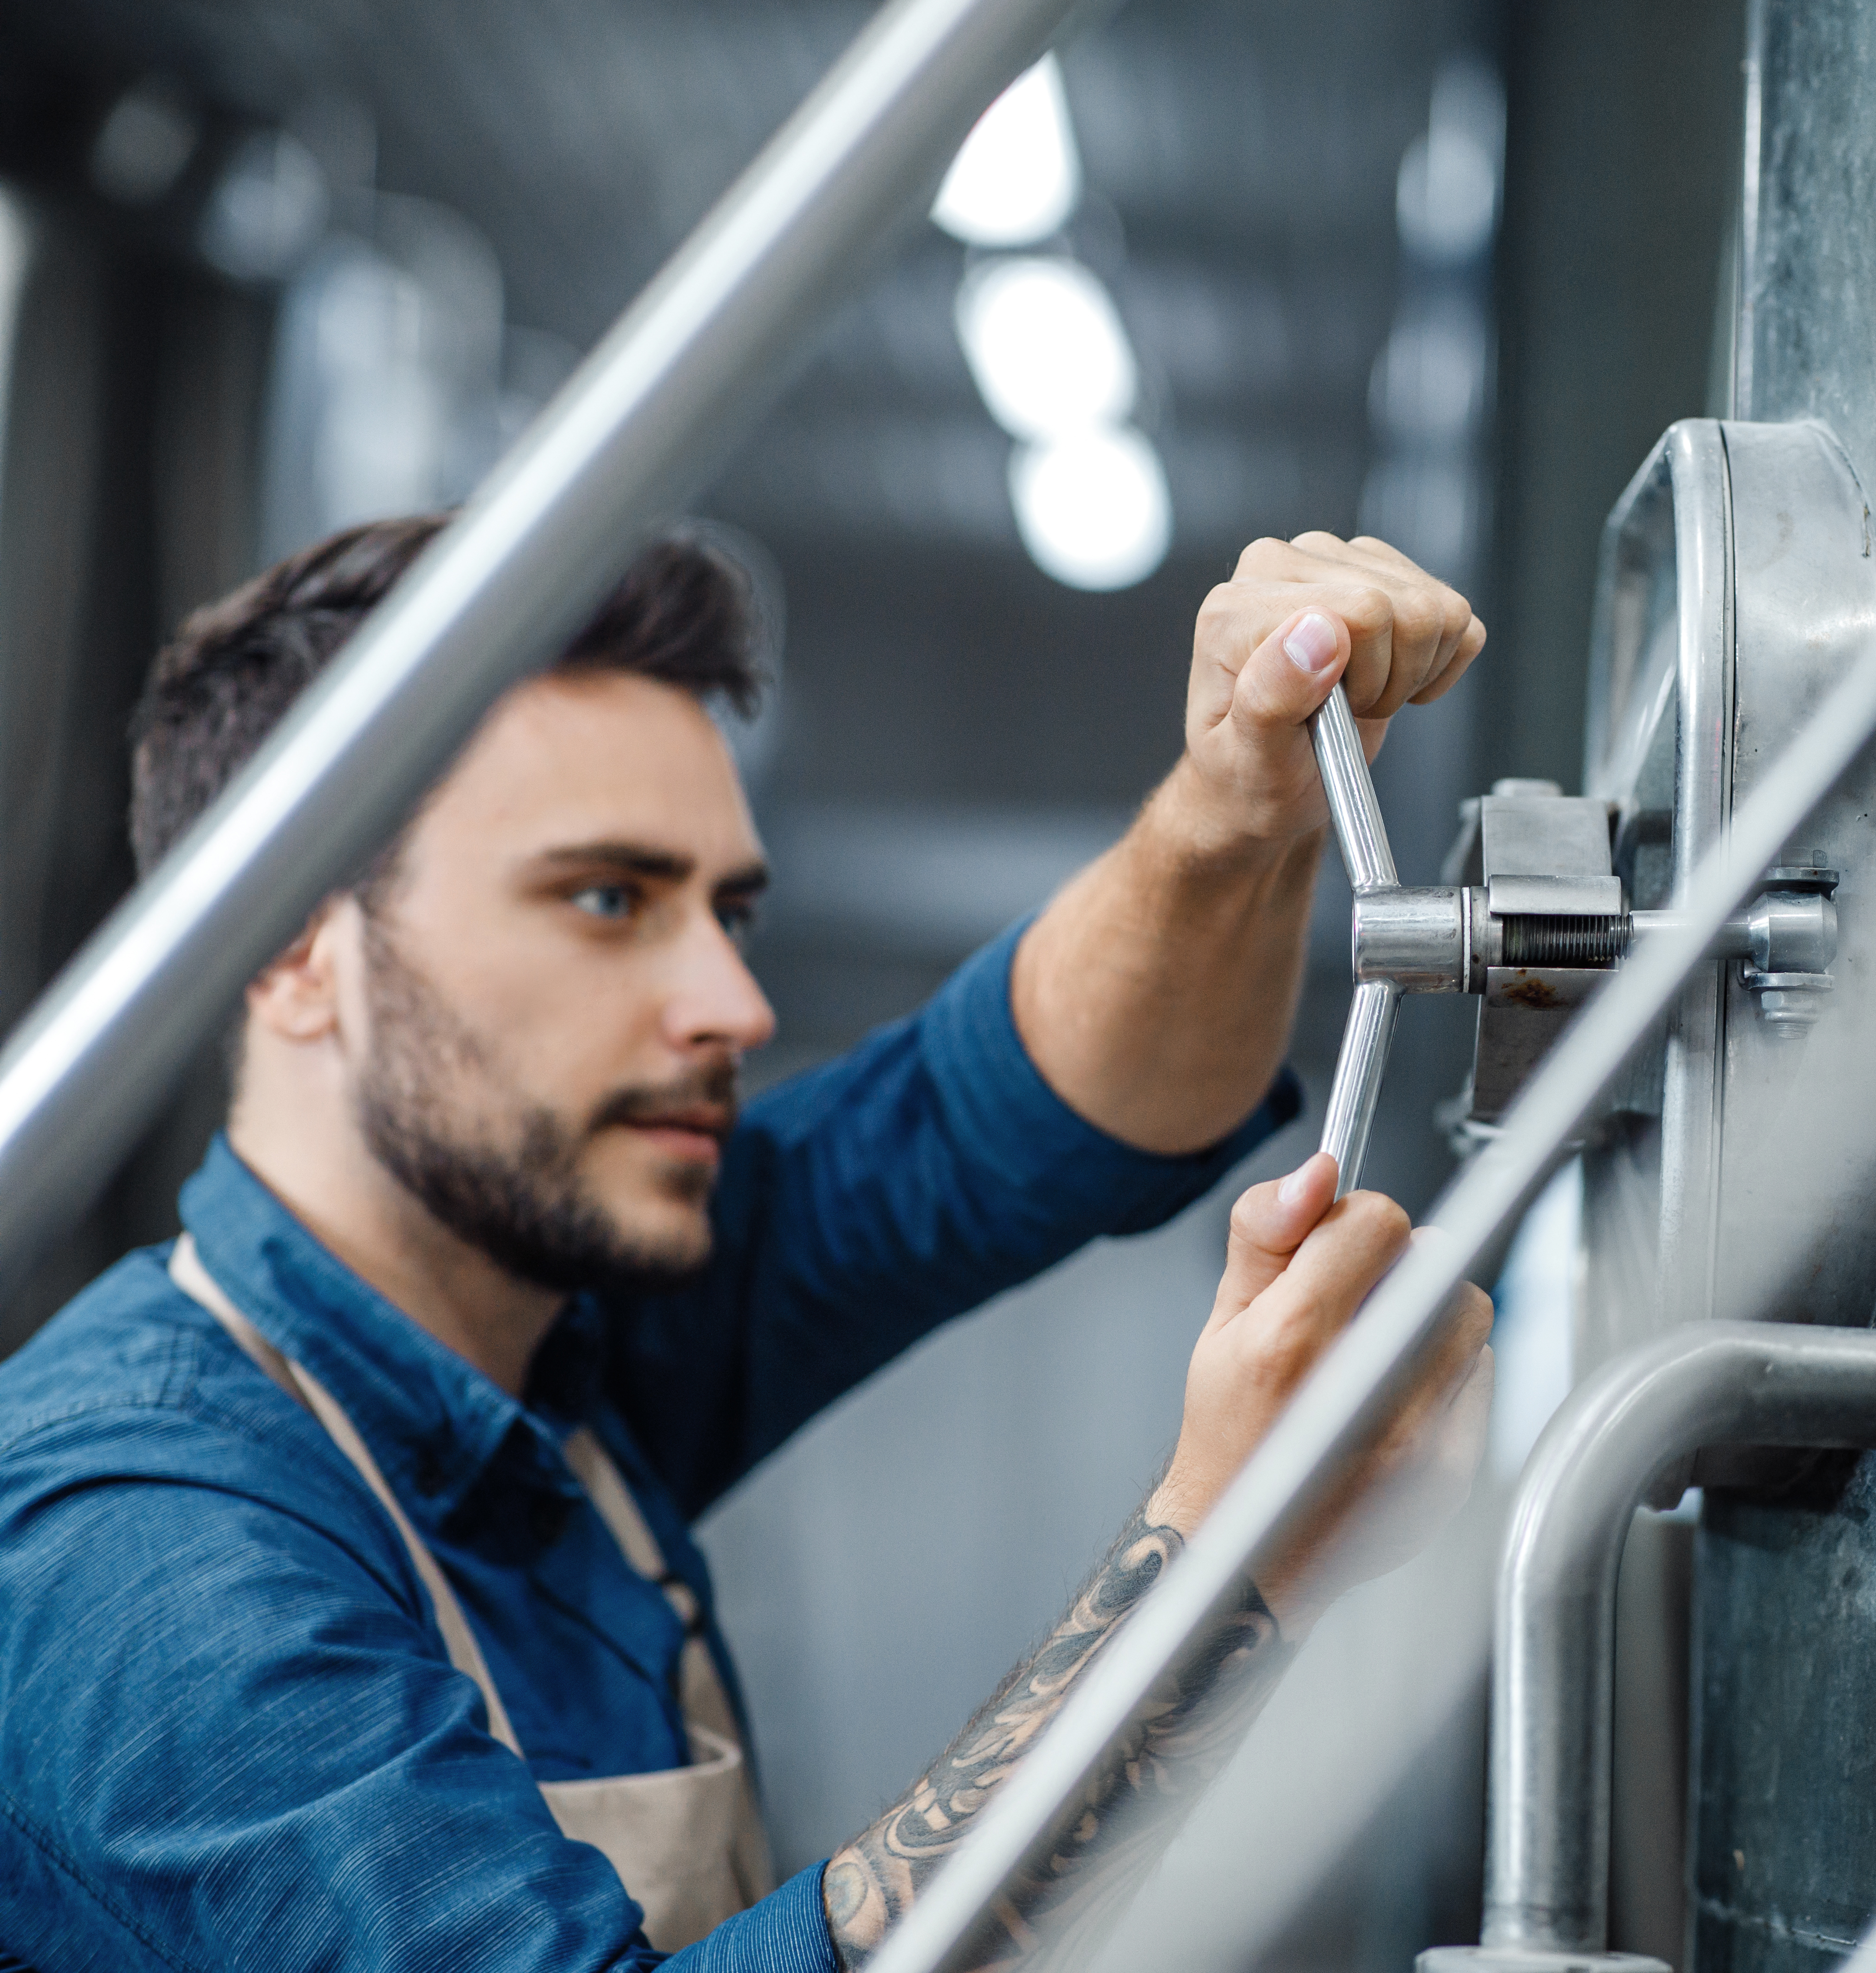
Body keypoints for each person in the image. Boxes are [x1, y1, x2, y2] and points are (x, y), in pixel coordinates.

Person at [0, 516, 1497, 1971]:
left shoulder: (562, 1307)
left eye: (728, 907)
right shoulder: (138, 1548)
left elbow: (1045, 1106)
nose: (734, 1000)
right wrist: (1221, 1569)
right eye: (608, 897)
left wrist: (1238, 795)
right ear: (287, 944)